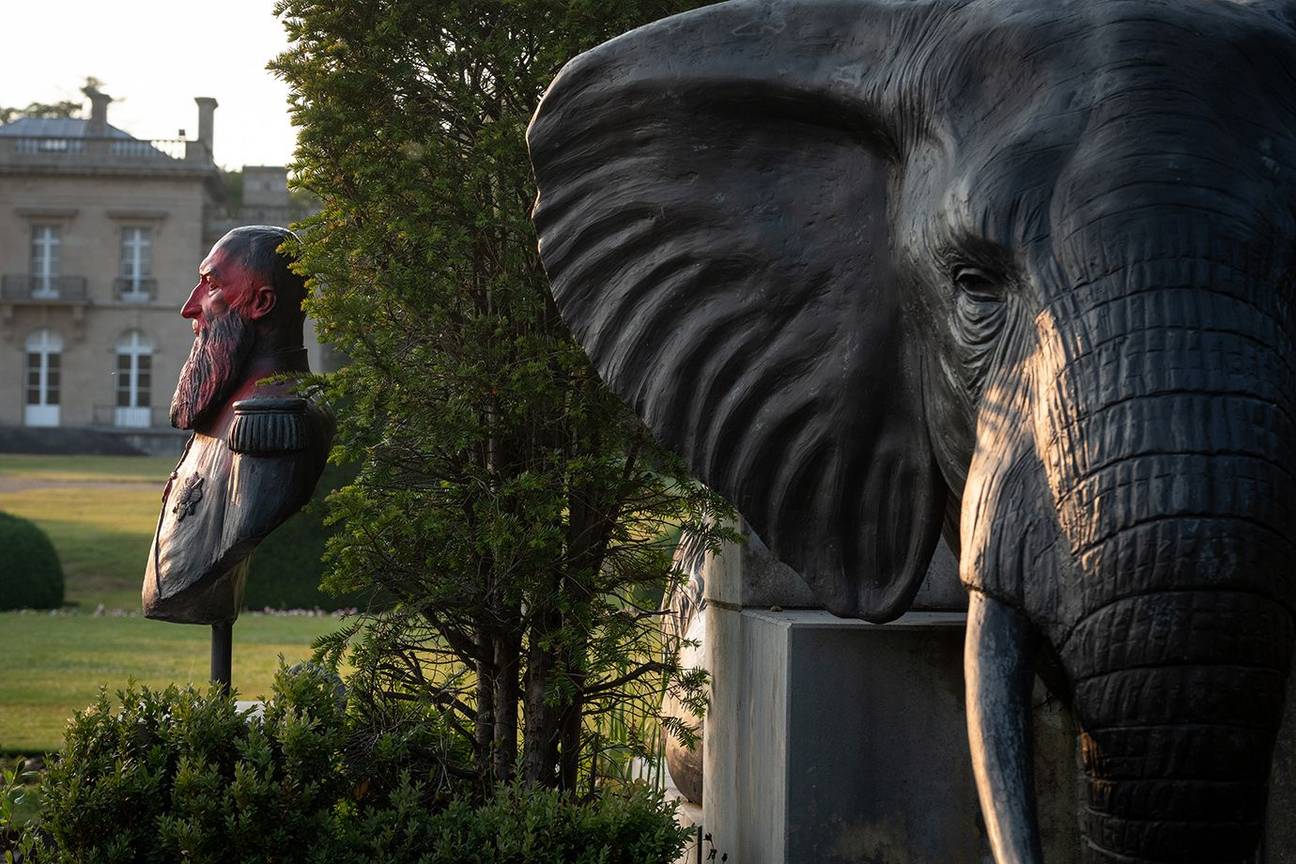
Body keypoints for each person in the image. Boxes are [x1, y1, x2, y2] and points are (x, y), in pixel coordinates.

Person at [142, 226, 334, 624]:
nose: (190, 307)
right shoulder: (221, 404)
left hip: (192, 578)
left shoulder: (275, 423)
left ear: (261, 302)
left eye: (211, 286)